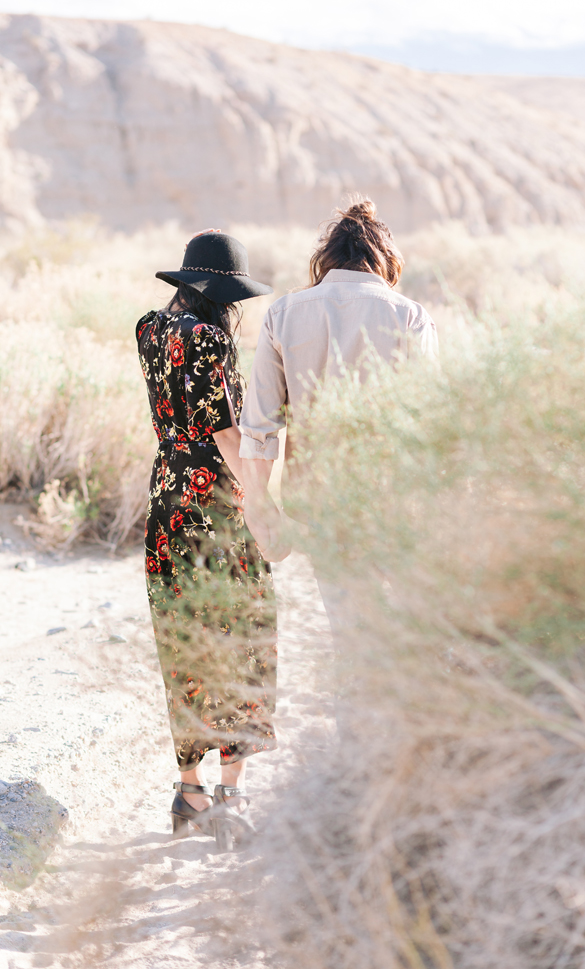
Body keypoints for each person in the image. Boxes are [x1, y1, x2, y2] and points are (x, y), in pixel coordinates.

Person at [136, 230, 277, 850]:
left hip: (167, 502)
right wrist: (266, 506)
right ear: (223, 295)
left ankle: (188, 791)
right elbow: (224, 436)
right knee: (244, 636)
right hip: (216, 508)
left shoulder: (148, 329)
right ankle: (231, 793)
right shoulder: (213, 341)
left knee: (183, 640)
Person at [238, 199, 438, 618]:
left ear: (326, 259)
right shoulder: (409, 317)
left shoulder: (284, 313)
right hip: (391, 500)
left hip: (316, 500)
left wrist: (258, 503)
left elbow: (260, 426)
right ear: (385, 261)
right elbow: (430, 419)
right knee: (402, 626)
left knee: (345, 622)